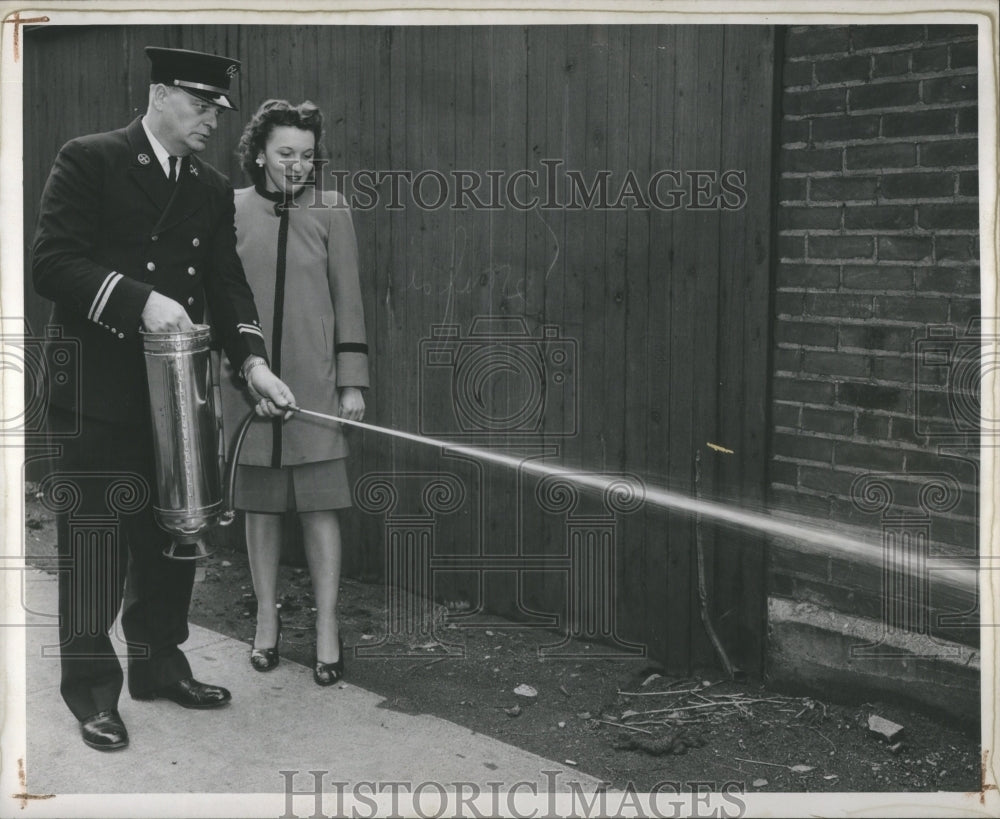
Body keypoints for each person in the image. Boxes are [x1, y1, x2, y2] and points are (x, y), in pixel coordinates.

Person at [32, 47, 296, 752]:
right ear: (160, 96)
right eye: (201, 105)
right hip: (94, 392)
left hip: (175, 395)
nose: (212, 120)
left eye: (218, 109)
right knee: (93, 545)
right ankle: (91, 693)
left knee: (173, 535)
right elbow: (51, 262)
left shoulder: (209, 188)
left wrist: (255, 363)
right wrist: (140, 300)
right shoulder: (89, 158)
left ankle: (158, 664)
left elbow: (227, 284)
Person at [219, 99, 369, 687]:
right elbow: (219, 298)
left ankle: (328, 628)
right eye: (285, 153)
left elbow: (348, 298)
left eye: (307, 155)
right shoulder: (229, 210)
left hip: (316, 386)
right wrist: (230, 379)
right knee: (260, 508)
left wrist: (351, 382)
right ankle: (265, 623)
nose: (297, 165)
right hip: (245, 385)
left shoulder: (332, 211)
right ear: (259, 154)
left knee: (319, 508)